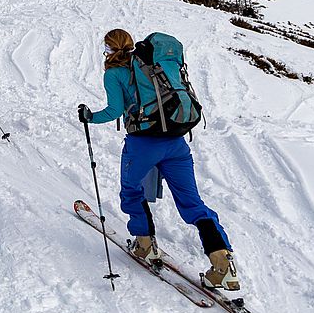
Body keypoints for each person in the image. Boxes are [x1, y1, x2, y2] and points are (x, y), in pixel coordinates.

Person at [77, 29, 243, 299]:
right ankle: (222, 261)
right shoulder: (151, 66)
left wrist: (89, 117)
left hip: (143, 143)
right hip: (176, 142)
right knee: (193, 203)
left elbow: (115, 111)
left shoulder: (113, 74)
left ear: (109, 49)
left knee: (131, 191)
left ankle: (144, 244)